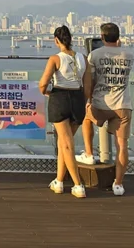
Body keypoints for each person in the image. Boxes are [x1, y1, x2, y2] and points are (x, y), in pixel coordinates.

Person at [76, 22, 133, 196]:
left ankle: (89, 153)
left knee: (86, 118)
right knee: (122, 146)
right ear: (118, 37)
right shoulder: (128, 55)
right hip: (123, 105)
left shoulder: (94, 55)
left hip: (101, 103)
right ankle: (118, 184)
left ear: (102, 37)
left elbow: (90, 80)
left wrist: (89, 98)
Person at [39, 25, 86, 198]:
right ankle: (59, 181)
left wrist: (46, 92)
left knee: (66, 145)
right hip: (78, 100)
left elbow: (43, 83)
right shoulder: (83, 58)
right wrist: (84, 102)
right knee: (63, 144)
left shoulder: (55, 59)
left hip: (60, 99)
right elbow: (87, 85)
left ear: (56, 40)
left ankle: (77, 184)